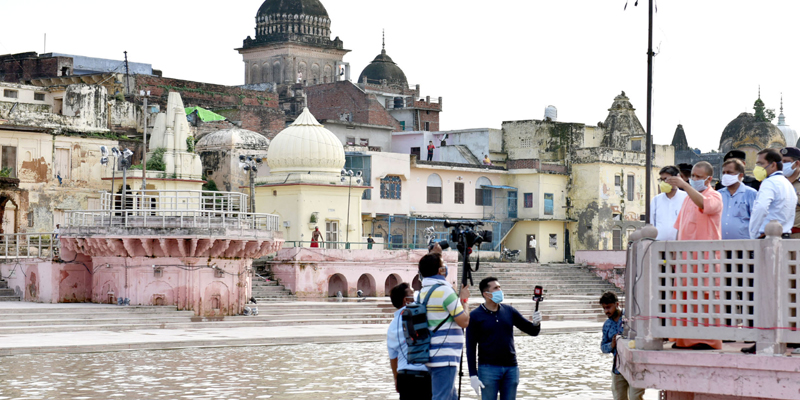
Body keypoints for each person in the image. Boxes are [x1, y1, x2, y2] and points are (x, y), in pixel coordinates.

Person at [666, 161, 723, 350]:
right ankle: (684, 339)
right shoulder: (687, 199)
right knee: (683, 297)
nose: (694, 179)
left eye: (699, 177)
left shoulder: (714, 195)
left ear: (709, 179)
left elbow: (705, 205)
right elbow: (679, 227)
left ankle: (707, 339)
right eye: (693, 176)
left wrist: (685, 186)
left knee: (705, 299)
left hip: (705, 257)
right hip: (685, 258)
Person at [466, 277, 541, 400]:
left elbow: (532, 331)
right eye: (495, 288)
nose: (499, 290)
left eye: (499, 287)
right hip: (488, 369)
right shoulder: (475, 316)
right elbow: (470, 347)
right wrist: (473, 375)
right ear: (486, 294)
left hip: (511, 368)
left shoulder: (509, 311)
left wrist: (536, 323)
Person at [417, 252, 470, 400]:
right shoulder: (446, 291)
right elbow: (464, 321)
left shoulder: (423, 291)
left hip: (430, 352)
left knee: (450, 396)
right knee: (442, 397)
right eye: (442, 264)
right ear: (440, 270)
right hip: (444, 355)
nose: (445, 267)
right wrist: (464, 301)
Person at [388, 282, 431, 400]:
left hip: (404, 376)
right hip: (423, 375)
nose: (416, 295)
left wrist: (396, 378)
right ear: (406, 300)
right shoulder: (419, 316)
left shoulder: (392, 326)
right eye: (413, 293)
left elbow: (393, 358)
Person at [600, 292, 644, 400]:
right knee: (619, 397)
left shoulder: (629, 318)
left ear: (617, 304)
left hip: (635, 366)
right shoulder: (607, 325)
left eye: (609, 307)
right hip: (618, 368)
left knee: (635, 397)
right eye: (604, 308)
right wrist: (612, 345)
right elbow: (603, 347)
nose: (606, 311)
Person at [749, 148, 797, 239]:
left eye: (761, 163)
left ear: (773, 165)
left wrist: (754, 234)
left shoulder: (769, 182)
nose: (757, 167)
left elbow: (761, 208)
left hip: (768, 237)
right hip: (785, 235)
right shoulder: (787, 183)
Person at [719, 159, 757, 239]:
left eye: (729, 172)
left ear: (740, 175)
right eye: (724, 173)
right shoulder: (718, 194)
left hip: (744, 246)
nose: (725, 175)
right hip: (721, 245)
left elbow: (756, 219)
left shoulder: (750, 194)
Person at [650, 166, 688, 241]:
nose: (664, 182)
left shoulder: (686, 198)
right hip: (659, 245)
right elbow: (651, 222)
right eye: (661, 180)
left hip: (680, 245)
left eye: (666, 179)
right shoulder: (656, 200)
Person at [781, 147, 800, 239]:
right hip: (778, 236)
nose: (782, 165)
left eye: (785, 162)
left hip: (797, 235)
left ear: (797, 163)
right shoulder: (776, 183)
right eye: (780, 162)